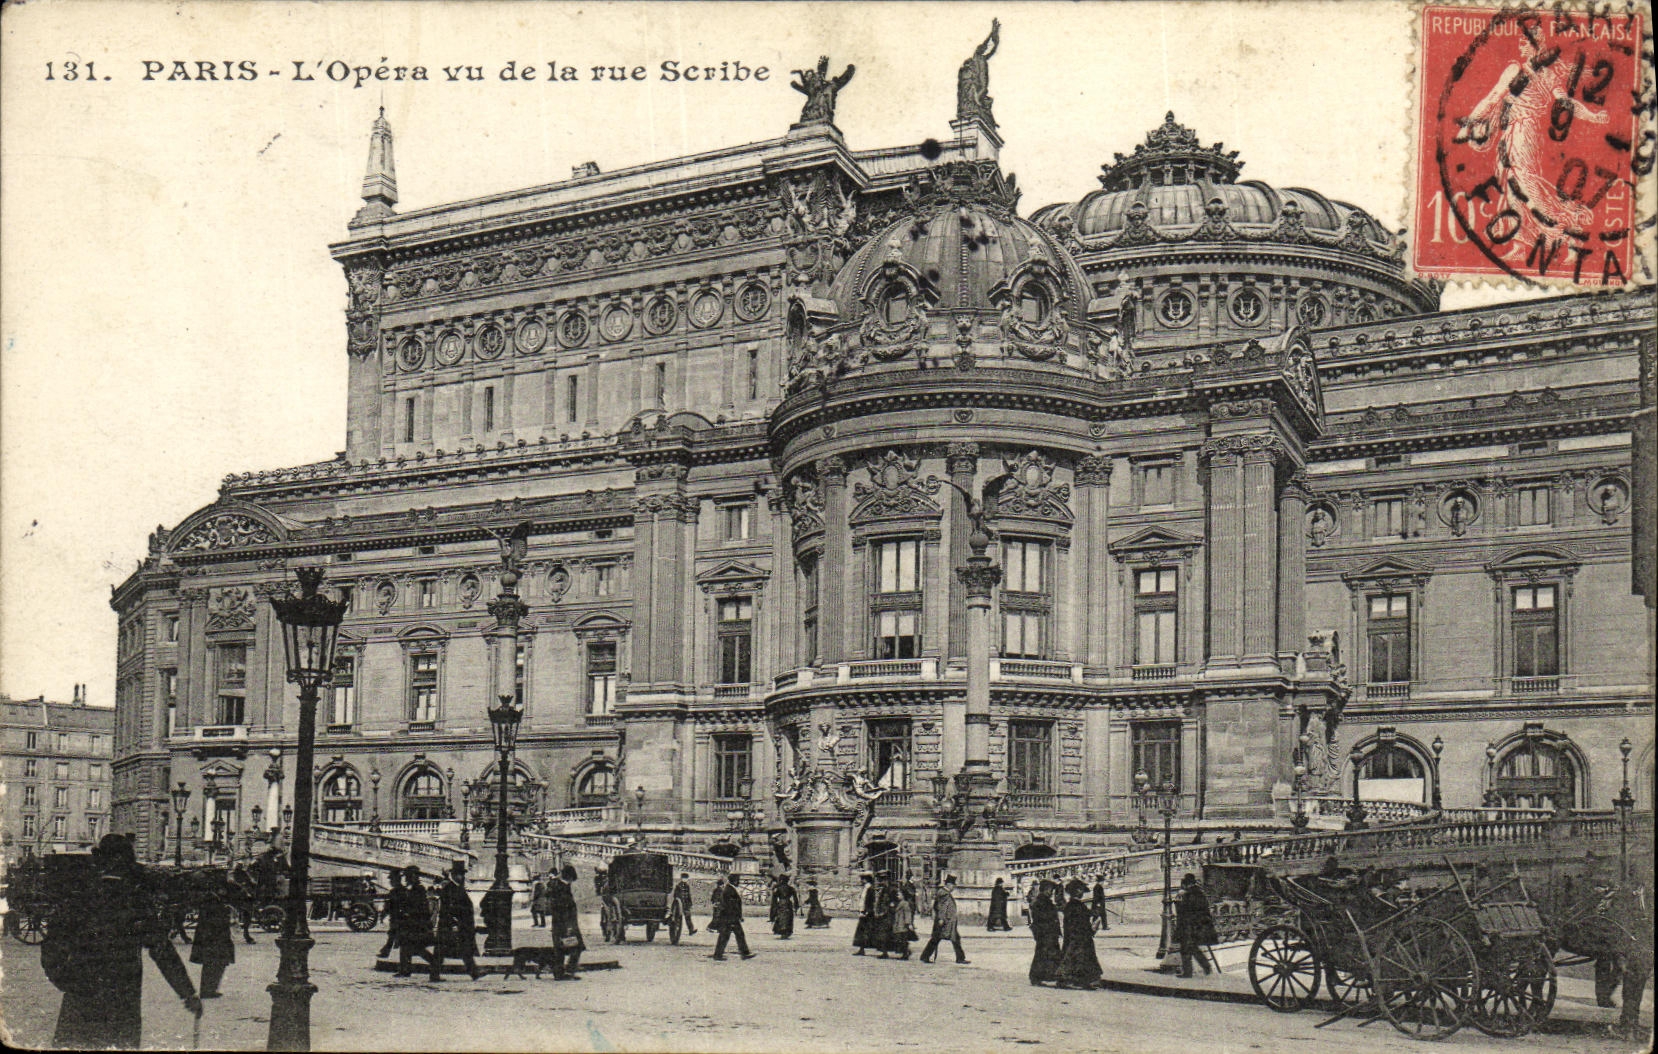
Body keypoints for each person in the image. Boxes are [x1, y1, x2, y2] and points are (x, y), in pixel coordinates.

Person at [42, 833, 201, 1048]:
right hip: (122, 997)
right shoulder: (135, 900)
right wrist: (187, 993)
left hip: (80, 996)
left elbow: (52, 943)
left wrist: (64, 979)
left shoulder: (79, 897)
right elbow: (162, 950)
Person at [430, 861, 482, 981]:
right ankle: (474, 972)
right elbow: (449, 908)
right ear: (453, 875)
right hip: (451, 924)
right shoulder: (450, 889)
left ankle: (474, 972)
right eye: (459, 874)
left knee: (460, 950)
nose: (462, 877)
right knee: (444, 950)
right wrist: (454, 923)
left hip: (456, 924)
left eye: (463, 874)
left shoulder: (457, 888)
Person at [189, 871, 236, 999]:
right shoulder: (211, 898)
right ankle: (208, 990)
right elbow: (214, 917)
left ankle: (210, 988)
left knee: (215, 962)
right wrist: (226, 911)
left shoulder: (211, 897)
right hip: (214, 936)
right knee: (214, 962)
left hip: (212, 935)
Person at [390, 867, 437, 978]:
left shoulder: (419, 889)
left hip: (417, 923)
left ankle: (435, 963)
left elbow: (421, 908)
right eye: (406, 876)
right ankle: (404, 970)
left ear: (415, 876)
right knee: (405, 945)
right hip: (410, 923)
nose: (406, 878)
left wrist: (408, 912)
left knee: (416, 948)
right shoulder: (411, 889)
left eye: (408, 876)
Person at [1056, 879, 1102, 989]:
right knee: (1079, 958)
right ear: (1076, 891)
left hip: (1073, 936)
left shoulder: (1071, 905)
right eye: (1080, 890)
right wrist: (1092, 927)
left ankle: (1072, 980)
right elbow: (1082, 922)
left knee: (1073, 958)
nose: (1082, 893)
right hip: (1080, 937)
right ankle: (1079, 980)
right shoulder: (1077, 906)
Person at [1174, 873, 1218, 977]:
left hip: (1191, 926)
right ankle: (1206, 966)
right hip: (1201, 926)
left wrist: (1178, 900)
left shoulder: (1188, 894)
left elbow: (1184, 911)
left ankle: (1188, 972)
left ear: (1186, 884)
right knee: (1193, 948)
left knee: (1185, 948)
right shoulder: (1199, 893)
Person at [919, 875, 969, 964]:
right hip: (946, 922)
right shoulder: (944, 894)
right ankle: (960, 958)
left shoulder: (943, 893)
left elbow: (936, 907)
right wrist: (941, 919)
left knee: (951, 939)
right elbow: (942, 908)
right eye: (953, 885)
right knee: (938, 939)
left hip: (947, 921)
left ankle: (925, 956)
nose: (954, 887)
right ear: (949, 884)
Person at [547, 864, 585, 980]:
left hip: (558, 923)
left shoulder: (557, 886)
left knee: (560, 948)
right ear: (570, 877)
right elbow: (565, 909)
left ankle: (560, 972)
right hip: (567, 924)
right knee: (576, 947)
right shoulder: (562, 888)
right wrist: (569, 927)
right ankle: (567, 971)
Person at [709, 875, 755, 960]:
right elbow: (732, 906)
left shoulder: (729, 889)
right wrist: (736, 917)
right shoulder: (729, 890)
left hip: (729, 917)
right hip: (730, 918)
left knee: (732, 935)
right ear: (734, 881)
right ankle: (743, 953)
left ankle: (743, 953)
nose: (739, 882)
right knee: (728, 936)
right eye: (738, 880)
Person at [1028, 880, 1062, 987]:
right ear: (1045, 889)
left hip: (1048, 932)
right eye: (1050, 890)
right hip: (1046, 932)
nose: (1051, 892)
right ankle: (1038, 977)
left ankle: (1045, 976)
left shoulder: (1043, 900)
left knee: (1046, 954)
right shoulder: (1041, 901)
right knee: (1044, 954)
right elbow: (1042, 917)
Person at [378, 868, 406, 959]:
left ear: (396, 879)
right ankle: (386, 951)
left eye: (391, 879)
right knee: (393, 935)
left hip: (397, 917)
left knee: (395, 935)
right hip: (397, 917)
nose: (390, 881)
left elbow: (389, 905)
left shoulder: (395, 891)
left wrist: (383, 914)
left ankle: (386, 952)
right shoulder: (402, 890)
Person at [228, 864, 258, 944]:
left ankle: (245, 934)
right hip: (239, 897)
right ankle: (245, 935)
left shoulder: (243, 873)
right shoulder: (236, 874)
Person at [870, 877, 897, 959]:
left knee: (888, 934)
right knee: (883, 934)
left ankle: (904, 951)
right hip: (883, 915)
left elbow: (894, 902)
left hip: (889, 915)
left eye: (883, 880)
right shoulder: (884, 889)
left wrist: (887, 910)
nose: (882, 882)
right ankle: (884, 952)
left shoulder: (892, 890)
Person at [852, 872, 878, 954]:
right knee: (862, 931)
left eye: (862, 879)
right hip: (864, 912)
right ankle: (861, 949)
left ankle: (864, 948)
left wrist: (866, 911)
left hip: (868, 913)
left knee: (866, 931)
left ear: (866, 880)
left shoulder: (870, 889)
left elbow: (871, 901)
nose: (861, 881)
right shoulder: (865, 888)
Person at [770, 873, 799, 939]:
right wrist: (796, 906)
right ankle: (786, 932)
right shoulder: (791, 888)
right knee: (788, 918)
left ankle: (782, 931)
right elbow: (795, 898)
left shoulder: (778, 888)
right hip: (788, 904)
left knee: (781, 917)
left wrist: (773, 908)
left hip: (781, 903)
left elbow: (774, 898)